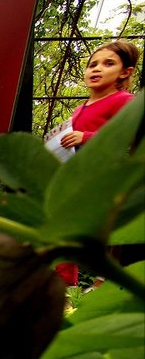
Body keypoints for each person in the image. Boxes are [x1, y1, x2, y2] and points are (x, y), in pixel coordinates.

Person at [56, 39, 139, 284]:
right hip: (76, 177)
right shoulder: (79, 108)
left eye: (108, 63)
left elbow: (129, 134)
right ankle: (64, 286)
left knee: (110, 232)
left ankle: (110, 281)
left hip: (104, 178)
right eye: (92, 64)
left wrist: (86, 137)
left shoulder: (124, 100)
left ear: (125, 72)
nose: (97, 69)